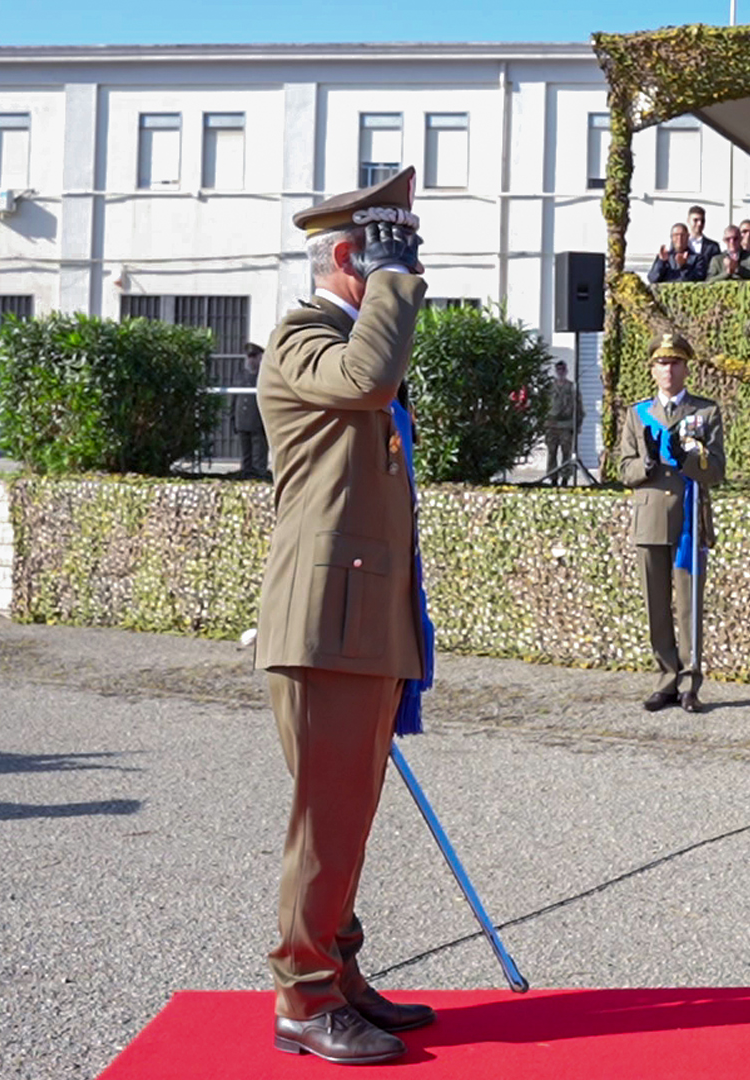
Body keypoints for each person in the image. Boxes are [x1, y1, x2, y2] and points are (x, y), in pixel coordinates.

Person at [253, 166, 436, 1066]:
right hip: (324, 617)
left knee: (350, 817)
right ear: (343, 256)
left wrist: (393, 279)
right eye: (388, 251)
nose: (408, 269)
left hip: (363, 617)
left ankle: (340, 971)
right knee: (324, 821)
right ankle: (303, 994)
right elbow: (367, 377)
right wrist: (395, 285)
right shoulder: (301, 337)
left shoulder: (348, 336)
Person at [616, 333, 725, 714]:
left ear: (685, 368)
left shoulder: (705, 413)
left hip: (687, 521)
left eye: (675, 362)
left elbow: (716, 471)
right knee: (656, 606)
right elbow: (622, 466)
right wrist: (643, 467)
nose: (668, 369)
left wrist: (689, 461)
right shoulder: (637, 413)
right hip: (649, 519)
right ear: (652, 369)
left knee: (689, 605)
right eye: (662, 363)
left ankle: (689, 683)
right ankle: (665, 677)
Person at [233, 342, 269, 479]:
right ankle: (246, 477)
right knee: (245, 455)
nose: (251, 360)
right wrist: (233, 420)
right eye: (249, 357)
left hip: (259, 422)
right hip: (242, 421)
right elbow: (235, 399)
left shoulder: (265, 376)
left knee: (259, 455)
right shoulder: (240, 375)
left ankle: (259, 477)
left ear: (261, 357)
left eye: (254, 356)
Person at [545, 358, 582, 483]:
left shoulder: (572, 387)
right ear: (556, 371)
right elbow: (542, 405)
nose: (560, 372)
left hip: (566, 425)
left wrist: (578, 424)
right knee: (551, 453)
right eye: (558, 369)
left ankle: (565, 478)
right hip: (551, 424)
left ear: (566, 371)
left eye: (563, 369)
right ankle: (552, 478)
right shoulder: (549, 387)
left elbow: (579, 407)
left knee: (566, 453)